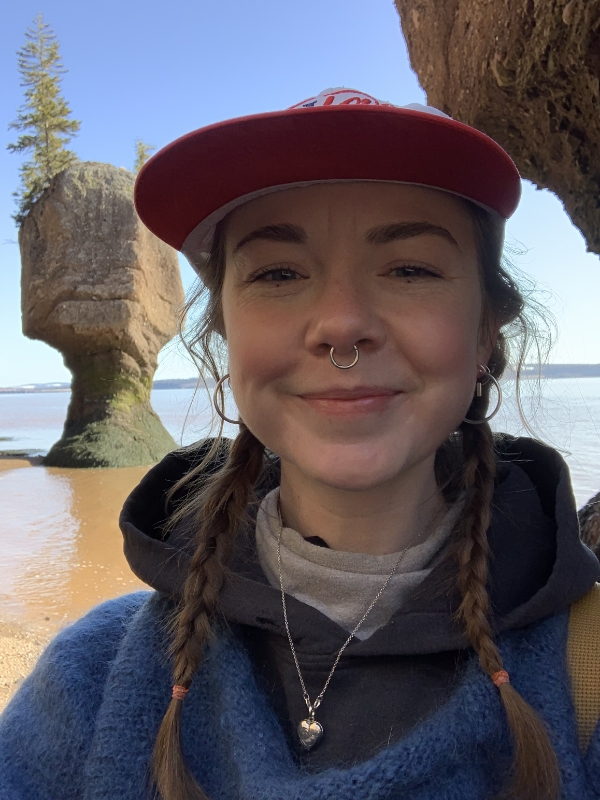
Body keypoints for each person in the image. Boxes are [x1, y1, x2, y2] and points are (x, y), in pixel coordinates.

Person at [0, 87, 599, 800]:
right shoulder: (89, 685)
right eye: (278, 274)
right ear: (223, 338)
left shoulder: (586, 672)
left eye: (410, 268)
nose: (341, 323)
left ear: (483, 336)